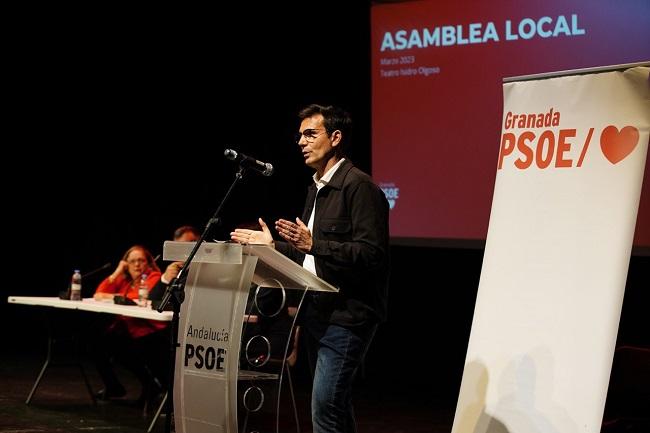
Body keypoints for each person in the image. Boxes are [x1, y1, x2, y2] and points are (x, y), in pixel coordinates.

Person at [231, 104, 390, 433]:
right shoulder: (316, 188)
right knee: (335, 406)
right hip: (318, 313)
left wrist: (314, 244)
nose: (301, 142)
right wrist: (272, 246)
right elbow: (310, 255)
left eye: (310, 134)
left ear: (335, 138)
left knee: (325, 407)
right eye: (299, 136)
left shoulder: (359, 187)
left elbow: (372, 254)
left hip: (348, 317)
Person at [90, 245, 164, 400]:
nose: (137, 265)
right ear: (126, 264)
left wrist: (113, 297)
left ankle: (151, 384)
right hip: (127, 331)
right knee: (94, 344)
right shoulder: (126, 280)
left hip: (148, 332)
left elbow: (137, 299)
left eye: (141, 261)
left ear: (148, 263)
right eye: (132, 262)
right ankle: (113, 387)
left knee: (118, 347)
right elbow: (99, 293)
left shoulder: (154, 277)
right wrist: (117, 272)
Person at [149, 225, 200, 302]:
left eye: (186, 246)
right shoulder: (175, 269)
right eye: (178, 247)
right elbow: (152, 300)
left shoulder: (202, 271)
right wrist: (165, 279)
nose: (182, 251)